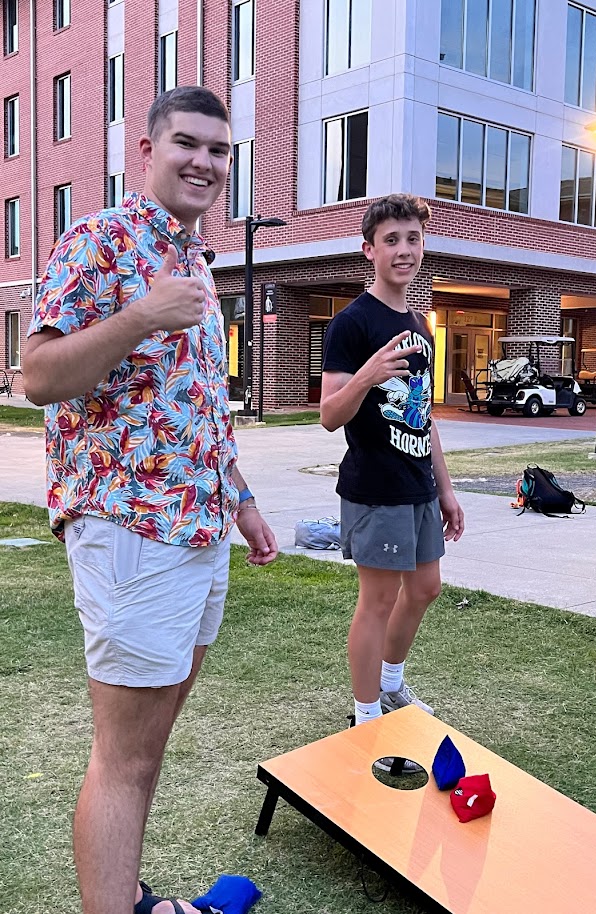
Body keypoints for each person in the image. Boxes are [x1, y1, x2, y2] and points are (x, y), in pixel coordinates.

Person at [23, 87, 278, 914]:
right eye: (187, 143)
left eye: (219, 149)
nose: (205, 161)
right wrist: (137, 315)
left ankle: (125, 896)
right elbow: (38, 377)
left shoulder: (198, 264)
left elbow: (193, 401)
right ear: (147, 150)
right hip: (132, 528)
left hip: (198, 528)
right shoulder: (99, 240)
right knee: (123, 756)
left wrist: (238, 499)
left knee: (149, 742)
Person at [320, 194, 464, 756]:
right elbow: (331, 415)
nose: (404, 250)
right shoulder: (352, 323)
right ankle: (365, 715)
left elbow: (424, 415)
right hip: (374, 487)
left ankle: (391, 683)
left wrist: (446, 488)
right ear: (369, 250)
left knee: (426, 587)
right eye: (391, 240)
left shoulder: (420, 325)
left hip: (418, 483)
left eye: (413, 239)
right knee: (376, 601)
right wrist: (368, 374)